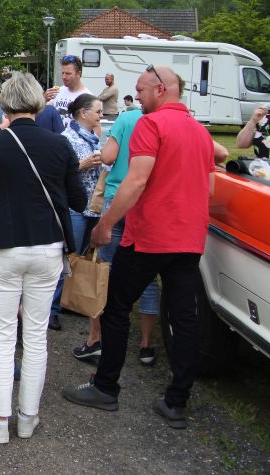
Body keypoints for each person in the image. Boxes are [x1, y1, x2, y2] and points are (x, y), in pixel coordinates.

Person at [63, 65, 217, 430]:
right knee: (184, 318)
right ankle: (177, 401)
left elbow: (135, 181)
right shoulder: (200, 131)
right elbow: (209, 190)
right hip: (189, 237)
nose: (138, 97)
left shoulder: (152, 124)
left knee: (116, 306)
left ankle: (105, 386)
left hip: (151, 235)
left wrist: (105, 224)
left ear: (161, 89)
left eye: (143, 91)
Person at [0, 71, 87, 443]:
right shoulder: (60, 146)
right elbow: (78, 201)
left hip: (4, 246)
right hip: (47, 247)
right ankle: (27, 417)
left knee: (3, 336)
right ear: (38, 102)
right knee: (35, 336)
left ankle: (0, 421)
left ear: (5, 103)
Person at [71, 102, 161, 366]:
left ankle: (95, 339)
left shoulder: (126, 119)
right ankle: (146, 344)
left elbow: (108, 157)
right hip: (149, 201)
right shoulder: (171, 123)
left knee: (103, 268)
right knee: (147, 273)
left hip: (117, 197)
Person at [49, 94, 104, 331]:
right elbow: (57, 172)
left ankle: (71, 300)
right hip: (74, 207)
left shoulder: (94, 138)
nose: (101, 116)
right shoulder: (66, 138)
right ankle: (51, 309)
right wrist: (83, 165)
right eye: (98, 112)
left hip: (92, 207)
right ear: (83, 113)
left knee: (80, 257)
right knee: (66, 257)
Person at [45, 55, 91, 128]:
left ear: (78, 74)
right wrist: (44, 99)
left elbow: (91, 126)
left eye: (68, 74)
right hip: (56, 138)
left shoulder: (87, 97)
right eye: (62, 73)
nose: (64, 77)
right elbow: (42, 112)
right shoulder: (58, 91)